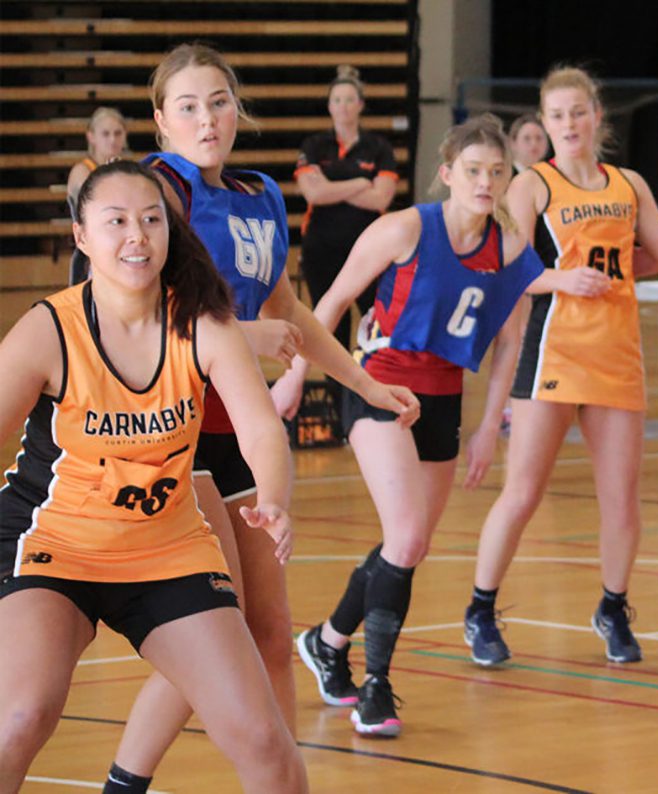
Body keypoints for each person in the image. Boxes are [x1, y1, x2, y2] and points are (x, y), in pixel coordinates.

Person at [103, 43, 418, 790]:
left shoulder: (259, 195)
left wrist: (364, 383)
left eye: (218, 102)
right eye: (187, 106)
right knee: (218, 631)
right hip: (170, 428)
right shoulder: (157, 193)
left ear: (236, 110)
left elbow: (286, 311)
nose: (206, 118)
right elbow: (132, 316)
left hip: (239, 428)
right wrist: (238, 337)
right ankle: (126, 780)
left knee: (271, 633)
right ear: (161, 119)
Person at [0, 161, 308, 793]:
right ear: (82, 237)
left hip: (167, 548)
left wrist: (274, 498)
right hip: (53, 546)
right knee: (20, 716)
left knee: (264, 742)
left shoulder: (204, 322)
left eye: (151, 220)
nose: (137, 235)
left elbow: (260, 429)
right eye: (116, 221)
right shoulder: (48, 328)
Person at [287, 114, 585, 737]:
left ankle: (327, 640)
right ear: (448, 174)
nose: (485, 182)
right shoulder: (403, 229)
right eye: (474, 170)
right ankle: (377, 688)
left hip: (445, 397)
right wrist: (293, 375)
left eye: (497, 173)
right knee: (406, 535)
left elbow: (510, 342)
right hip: (380, 385)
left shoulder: (507, 250)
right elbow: (334, 300)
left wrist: (487, 425)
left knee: (410, 544)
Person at [458, 66, 658, 668]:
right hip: (553, 354)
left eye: (578, 112)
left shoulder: (629, 185)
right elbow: (504, 263)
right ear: (544, 123)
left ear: (597, 117)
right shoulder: (532, 185)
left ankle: (613, 606)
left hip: (617, 356)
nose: (568, 123)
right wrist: (562, 277)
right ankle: (481, 609)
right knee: (523, 492)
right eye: (557, 114)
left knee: (622, 500)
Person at [295, 65, 399, 349]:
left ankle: (372, 390)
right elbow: (314, 194)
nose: (343, 106)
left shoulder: (379, 148)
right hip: (322, 250)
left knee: (375, 323)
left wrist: (333, 187)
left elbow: (381, 199)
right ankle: (339, 392)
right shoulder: (315, 145)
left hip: (370, 250)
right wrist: (361, 183)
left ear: (361, 105)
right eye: (337, 100)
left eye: (350, 99)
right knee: (330, 331)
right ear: (329, 105)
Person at [66, 107, 131, 285]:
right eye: (106, 134)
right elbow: (94, 208)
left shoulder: (129, 171)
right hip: (89, 256)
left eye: (117, 133)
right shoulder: (82, 170)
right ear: (91, 137)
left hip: (121, 252)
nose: (112, 140)